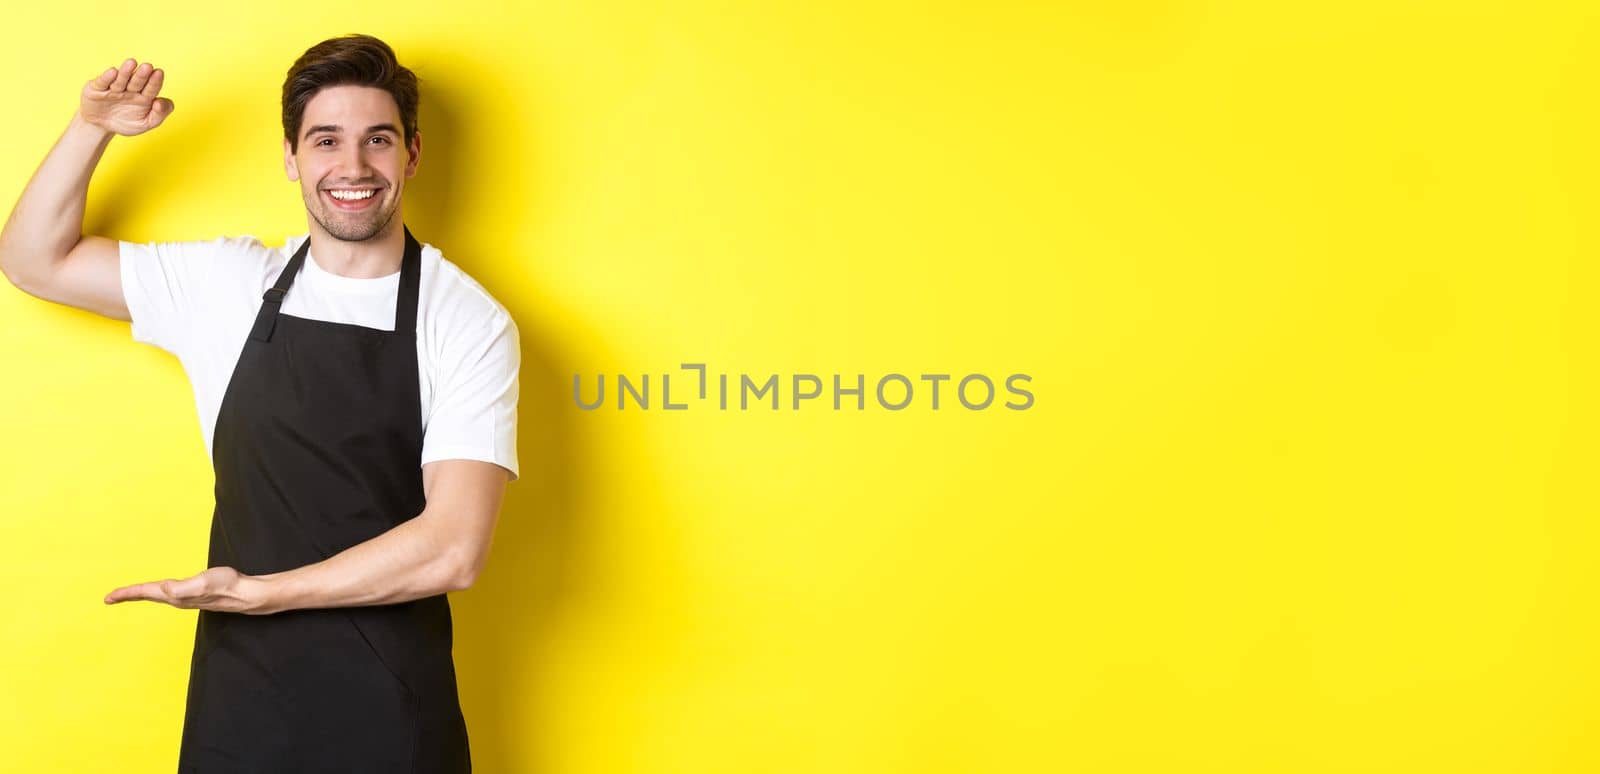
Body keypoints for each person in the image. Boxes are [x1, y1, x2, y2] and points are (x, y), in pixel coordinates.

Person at [0, 34, 518, 772]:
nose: (352, 167)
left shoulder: (464, 318)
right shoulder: (227, 285)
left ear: (412, 154)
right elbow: (32, 259)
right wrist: (91, 129)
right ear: (290, 158)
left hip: (391, 706)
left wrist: (265, 593)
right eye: (325, 140)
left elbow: (455, 547)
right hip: (241, 697)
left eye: (378, 139)